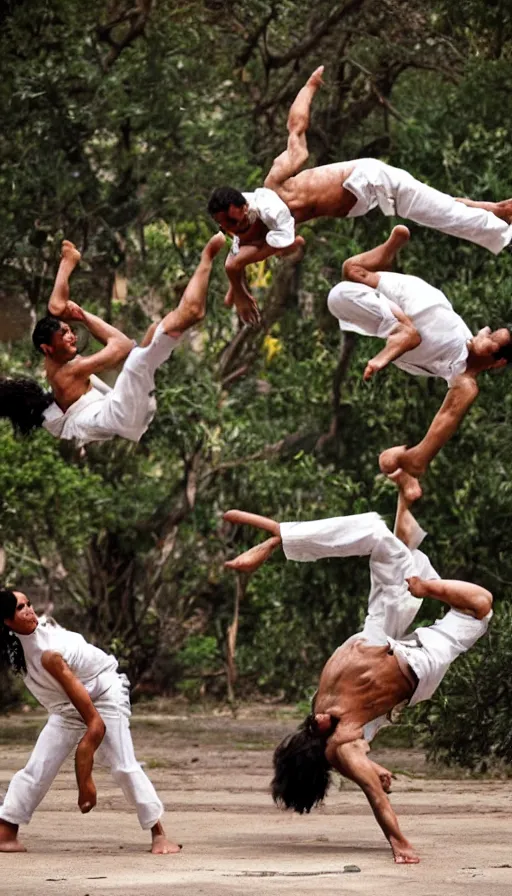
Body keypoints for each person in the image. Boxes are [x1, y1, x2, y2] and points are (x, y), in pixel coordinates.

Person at [222, 477, 493, 864]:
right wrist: (400, 843)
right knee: (480, 606)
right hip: (414, 661)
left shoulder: (330, 738)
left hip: (378, 637)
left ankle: (288, 534)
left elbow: (367, 780)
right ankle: (290, 538)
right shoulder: (339, 745)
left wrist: (374, 771)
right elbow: (375, 795)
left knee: (387, 543)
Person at [209, 65, 512, 322]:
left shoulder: (274, 185)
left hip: (365, 180)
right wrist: (238, 290)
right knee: (435, 209)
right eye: (233, 226)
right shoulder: (242, 235)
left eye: (241, 220)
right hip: (363, 202)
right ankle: (491, 210)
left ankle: (502, 227)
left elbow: (296, 132)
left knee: (440, 214)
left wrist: (310, 86)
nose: (240, 227)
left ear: (246, 205)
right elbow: (237, 261)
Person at [0, 589, 179, 854]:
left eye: (29, 604)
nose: (28, 610)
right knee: (37, 767)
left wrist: (85, 780)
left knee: (123, 765)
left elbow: (95, 724)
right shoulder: (13, 646)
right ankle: (6, 832)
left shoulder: (50, 653)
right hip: (65, 706)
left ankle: (159, 834)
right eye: (19, 608)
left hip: (104, 694)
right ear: (6, 621)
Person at [0, 235, 225, 445]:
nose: (72, 337)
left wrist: (65, 273)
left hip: (121, 413)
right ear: (47, 348)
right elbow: (122, 346)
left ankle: (202, 272)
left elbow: (60, 335)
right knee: (161, 334)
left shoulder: (54, 370)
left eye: (70, 331)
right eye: (64, 334)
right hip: (120, 413)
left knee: (158, 330)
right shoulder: (69, 372)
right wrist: (82, 316)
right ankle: (206, 258)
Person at [327, 224, 512, 477]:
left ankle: (387, 260)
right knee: (346, 280)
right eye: (490, 332)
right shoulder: (468, 341)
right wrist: (482, 338)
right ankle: (389, 253)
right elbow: (480, 338)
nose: (487, 334)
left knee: (346, 281)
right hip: (416, 302)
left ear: (498, 362)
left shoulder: (462, 379)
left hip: (400, 315)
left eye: (493, 340)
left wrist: (416, 456)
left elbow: (447, 415)